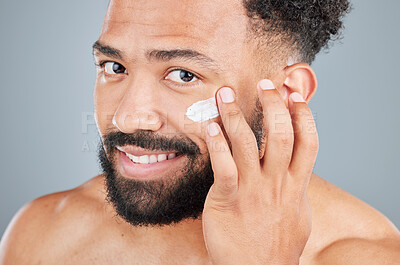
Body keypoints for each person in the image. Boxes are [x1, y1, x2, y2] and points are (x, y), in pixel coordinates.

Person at [1, 0, 399, 264]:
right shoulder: (43, 235)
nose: (127, 117)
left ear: (287, 93)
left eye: (183, 74)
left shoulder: (364, 256)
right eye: (114, 67)